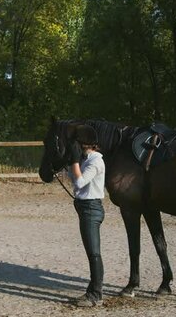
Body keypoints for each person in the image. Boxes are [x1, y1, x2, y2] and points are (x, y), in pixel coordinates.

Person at [66, 124, 106, 307]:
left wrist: (74, 161)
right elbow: (72, 178)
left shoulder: (96, 161)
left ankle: (95, 294)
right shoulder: (86, 158)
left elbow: (80, 182)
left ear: (83, 144)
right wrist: (71, 161)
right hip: (84, 207)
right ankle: (94, 291)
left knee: (94, 253)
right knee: (92, 252)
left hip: (91, 208)